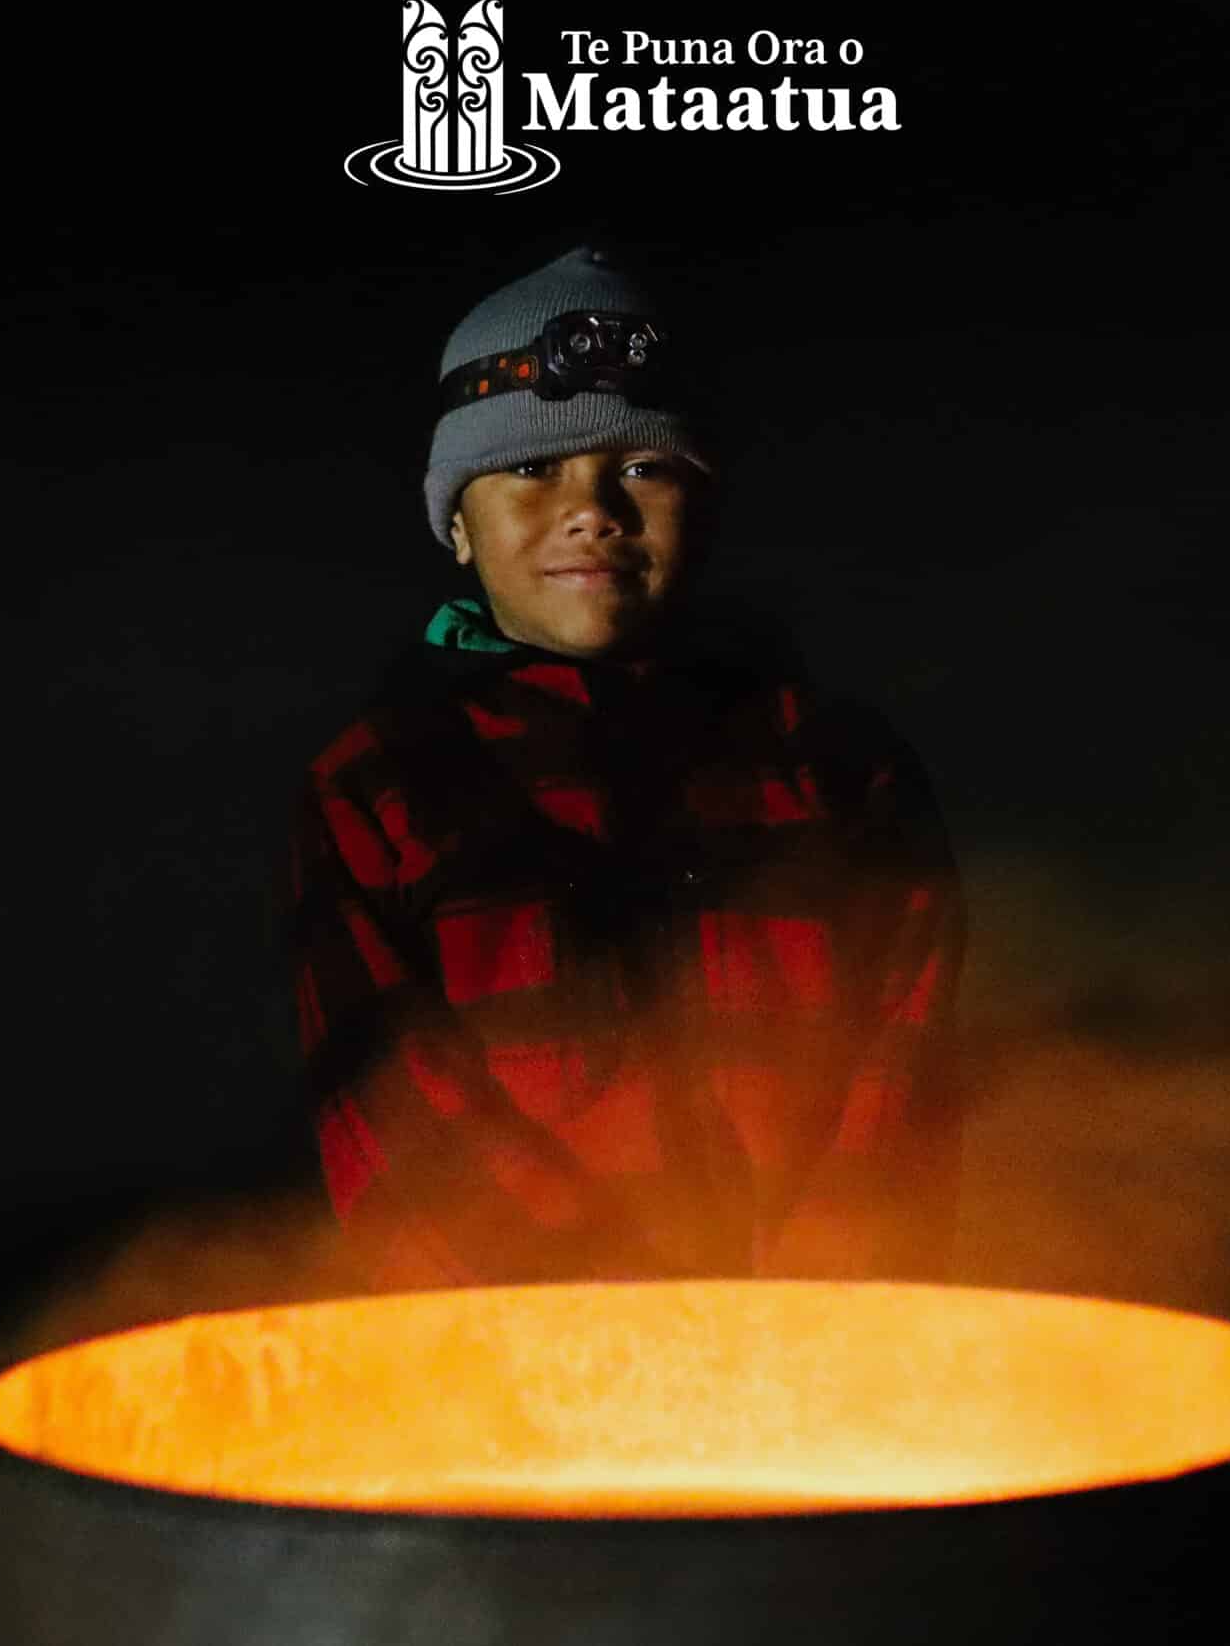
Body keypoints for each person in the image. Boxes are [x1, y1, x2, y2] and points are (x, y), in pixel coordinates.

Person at [276, 242, 966, 1291]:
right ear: (456, 523)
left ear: (708, 503)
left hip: (812, 1347)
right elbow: (389, 1104)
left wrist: (828, 1298)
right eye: (528, 470)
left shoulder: (837, 767)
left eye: (642, 467)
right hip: (519, 1348)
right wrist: (585, 1324)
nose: (591, 509)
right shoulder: (377, 784)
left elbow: (904, 1062)